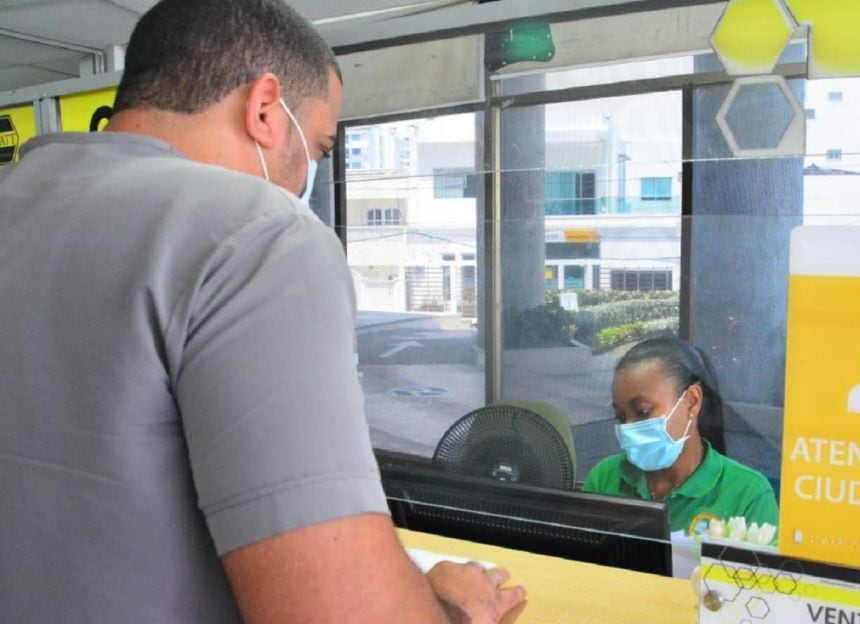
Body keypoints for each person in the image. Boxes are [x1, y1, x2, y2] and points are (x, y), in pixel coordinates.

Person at [0, 1, 525, 622]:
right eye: (321, 148)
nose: (309, 173)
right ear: (265, 109)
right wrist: (454, 611)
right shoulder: (254, 234)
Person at [582, 337, 779, 537]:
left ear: (692, 402)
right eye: (621, 416)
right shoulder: (605, 478)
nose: (628, 427)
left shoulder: (748, 495)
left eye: (643, 411)